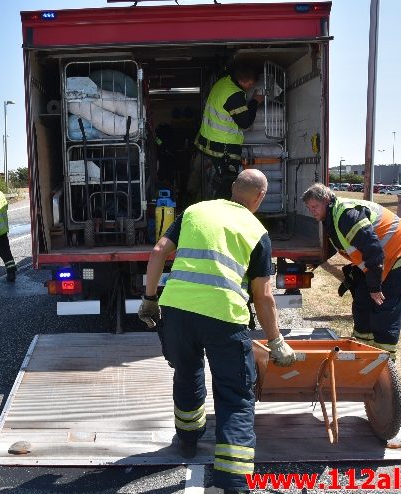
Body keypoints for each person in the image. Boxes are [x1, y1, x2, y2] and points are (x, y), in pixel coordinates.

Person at [139, 169, 295, 494]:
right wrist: (276, 341)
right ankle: (233, 482)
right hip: (224, 318)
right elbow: (264, 296)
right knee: (236, 397)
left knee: (187, 372)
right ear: (260, 198)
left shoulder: (194, 212)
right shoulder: (257, 232)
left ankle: (187, 441)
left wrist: (150, 299)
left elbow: (157, 253)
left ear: (232, 189)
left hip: (178, 312)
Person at [302, 183, 401, 359]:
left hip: (400, 253)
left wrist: (375, 287)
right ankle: (361, 353)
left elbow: (374, 251)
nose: (312, 211)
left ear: (326, 200)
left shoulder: (347, 215)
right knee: (362, 304)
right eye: (309, 208)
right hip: (378, 261)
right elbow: (340, 241)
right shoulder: (332, 216)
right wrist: (319, 260)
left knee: (384, 310)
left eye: (314, 206)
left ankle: (384, 362)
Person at [191, 62, 264, 201]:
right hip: (223, 146)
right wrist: (255, 101)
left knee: (221, 179)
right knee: (228, 181)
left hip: (209, 140)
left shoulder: (224, 82)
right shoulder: (234, 95)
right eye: (250, 84)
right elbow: (245, 122)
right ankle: (221, 212)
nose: (251, 87)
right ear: (242, 80)